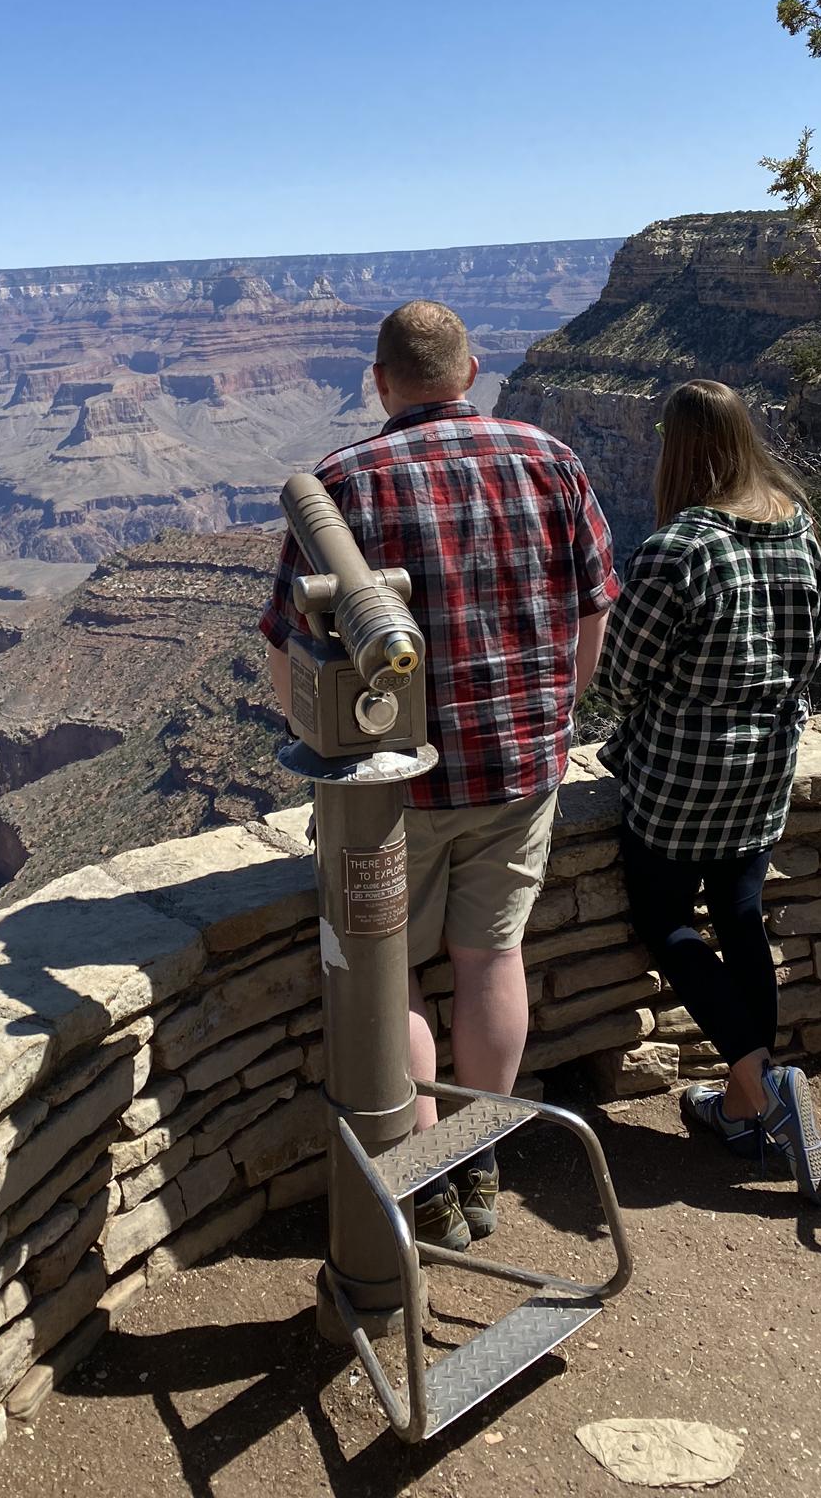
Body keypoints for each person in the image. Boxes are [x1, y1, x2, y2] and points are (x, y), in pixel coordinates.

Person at [260, 300, 618, 1248]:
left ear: (379, 383)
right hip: (520, 765)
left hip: (393, 790)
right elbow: (593, 612)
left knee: (399, 980)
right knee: (492, 957)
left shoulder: (340, 486)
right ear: (471, 371)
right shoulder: (551, 460)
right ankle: (480, 1149)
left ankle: (425, 1166)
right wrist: (555, 717)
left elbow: (290, 654)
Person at [599, 378, 821, 1202]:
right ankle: (740, 1106)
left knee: (667, 923)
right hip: (769, 758)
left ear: (676, 448)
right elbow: (812, 647)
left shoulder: (679, 547)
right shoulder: (795, 522)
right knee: (739, 917)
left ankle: (762, 1084)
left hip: (682, 772)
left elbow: (622, 673)